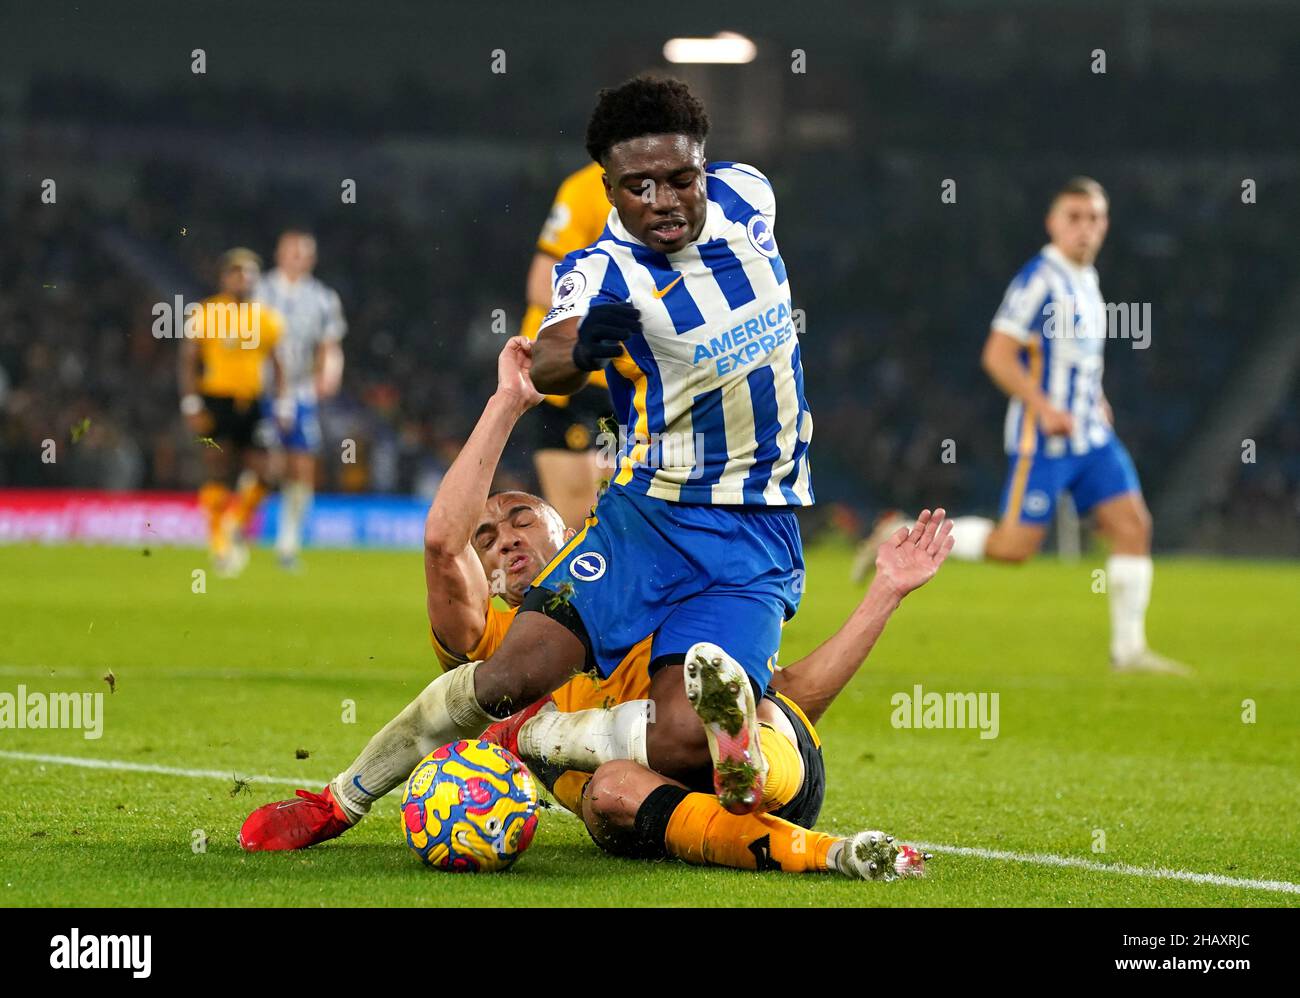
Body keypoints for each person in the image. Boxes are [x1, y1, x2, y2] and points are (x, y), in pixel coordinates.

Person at [240, 337, 952, 880]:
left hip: (766, 762)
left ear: (571, 533)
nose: (506, 536)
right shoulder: (490, 636)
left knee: (756, 714)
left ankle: (743, 770)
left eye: (523, 518)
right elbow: (438, 540)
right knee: (606, 788)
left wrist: (882, 596)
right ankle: (801, 836)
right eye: (487, 540)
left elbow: (793, 695)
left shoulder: (636, 582)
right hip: (638, 801)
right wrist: (508, 404)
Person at [854, 177, 1190, 675]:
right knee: (1014, 549)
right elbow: (998, 355)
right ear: (1053, 223)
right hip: (1046, 438)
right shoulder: (1039, 280)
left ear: (1105, 225)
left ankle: (1129, 652)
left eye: (1094, 218)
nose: (1085, 228)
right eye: (1074, 217)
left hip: (1092, 437)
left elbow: (1076, 356)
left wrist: (1095, 397)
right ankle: (904, 529)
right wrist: (1043, 406)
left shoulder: (1088, 280)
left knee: (1133, 526)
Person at [178, 248, 286, 577]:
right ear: (225, 277)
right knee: (219, 470)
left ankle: (234, 523)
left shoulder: (267, 317)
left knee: (268, 472)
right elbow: (188, 360)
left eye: (249, 272)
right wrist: (191, 402)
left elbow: (279, 364)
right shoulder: (207, 312)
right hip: (217, 400)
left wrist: (282, 403)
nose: (243, 278)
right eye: (237, 272)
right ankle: (218, 542)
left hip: (252, 403)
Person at [520, 163, 612, 531]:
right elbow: (543, 282)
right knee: (578, 513)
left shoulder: (684, 192)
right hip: (572, 371)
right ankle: (574, 587)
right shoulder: (586, 189)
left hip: (634, 375)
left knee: (618, 510)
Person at [255, 230, 347, 570]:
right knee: (260, 463)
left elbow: (329, 345)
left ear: (312, 258)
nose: (297, 257)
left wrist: (328, 375)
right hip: (260, 389)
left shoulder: (323, 298)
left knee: (302, 463)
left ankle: (288, 543)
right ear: (279, 254)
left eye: (303, 252)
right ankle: (237, 530)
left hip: (300, 391)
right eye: (291, 251)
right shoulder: (258, 291)